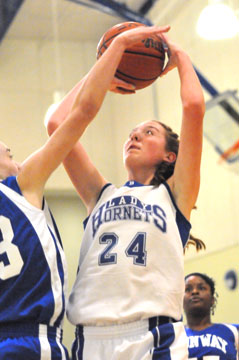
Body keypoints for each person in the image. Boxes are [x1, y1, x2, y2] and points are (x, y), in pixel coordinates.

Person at [47, 24, 205, 360]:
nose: (134, 137)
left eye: (148, 133)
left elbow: (193, 106)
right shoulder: (98, 194)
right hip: (91, 337)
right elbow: (57, 125)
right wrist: (106, 66)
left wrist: (180, 56)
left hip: (154, 336)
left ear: (169, 156)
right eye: (131, 134)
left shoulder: (176, 196)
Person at [0, 23, 146, 360]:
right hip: (31, 343)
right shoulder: (21, 188)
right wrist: (115, 52)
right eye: (10, 155)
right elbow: (81, 114)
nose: (18, 161)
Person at [184, 272, 239, 359]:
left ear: (212, 300)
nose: (194, 292)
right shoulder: (173, 335)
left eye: (201, 288)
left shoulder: (234, 331)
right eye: (188, 289)